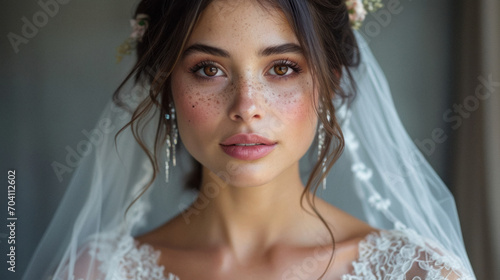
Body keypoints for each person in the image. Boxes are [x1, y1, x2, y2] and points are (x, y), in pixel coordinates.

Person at [23, 0, 476, 279]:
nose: (246, 105)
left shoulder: (417, 274)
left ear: (329, 85)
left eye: (282, 68)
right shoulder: (96, 274)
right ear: (166, 86)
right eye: (208, 69)